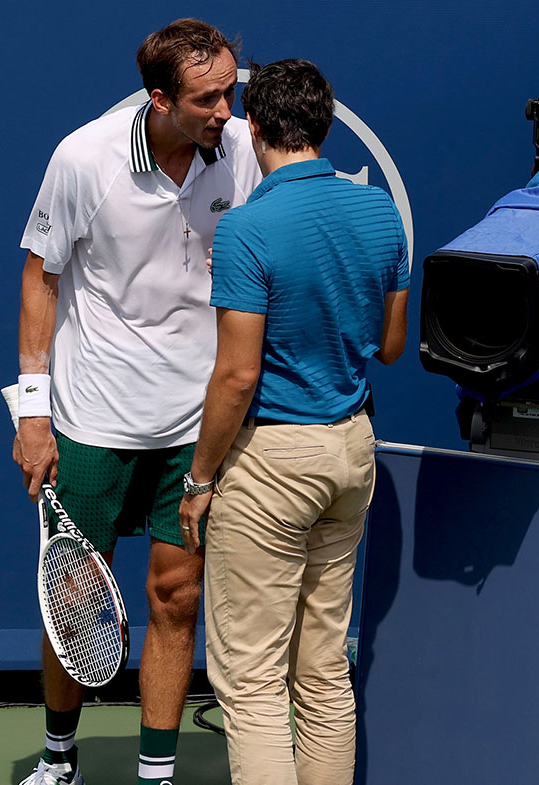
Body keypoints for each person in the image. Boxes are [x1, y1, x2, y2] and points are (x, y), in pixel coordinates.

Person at [12, 18, 262, 785]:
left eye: (231, 88)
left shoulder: (246, 150)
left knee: (177, 596)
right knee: (74, 598)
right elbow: (41, 278)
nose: (227, 110)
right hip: (93, 419)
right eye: (207, 98)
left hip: (196, 424)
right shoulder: (84, 157)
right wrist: (32, 410)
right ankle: (59, 757)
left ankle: (157, 771)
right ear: (159, 99)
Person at [176, 59, 409, 785]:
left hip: (272, 462)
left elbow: (238, 375)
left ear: (253, 127)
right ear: (327, 125)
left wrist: (200, 477)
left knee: (249, 683)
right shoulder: (379, 213)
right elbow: (392, 346)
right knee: (322, 670)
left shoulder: (247, 229)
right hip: (351, 453)